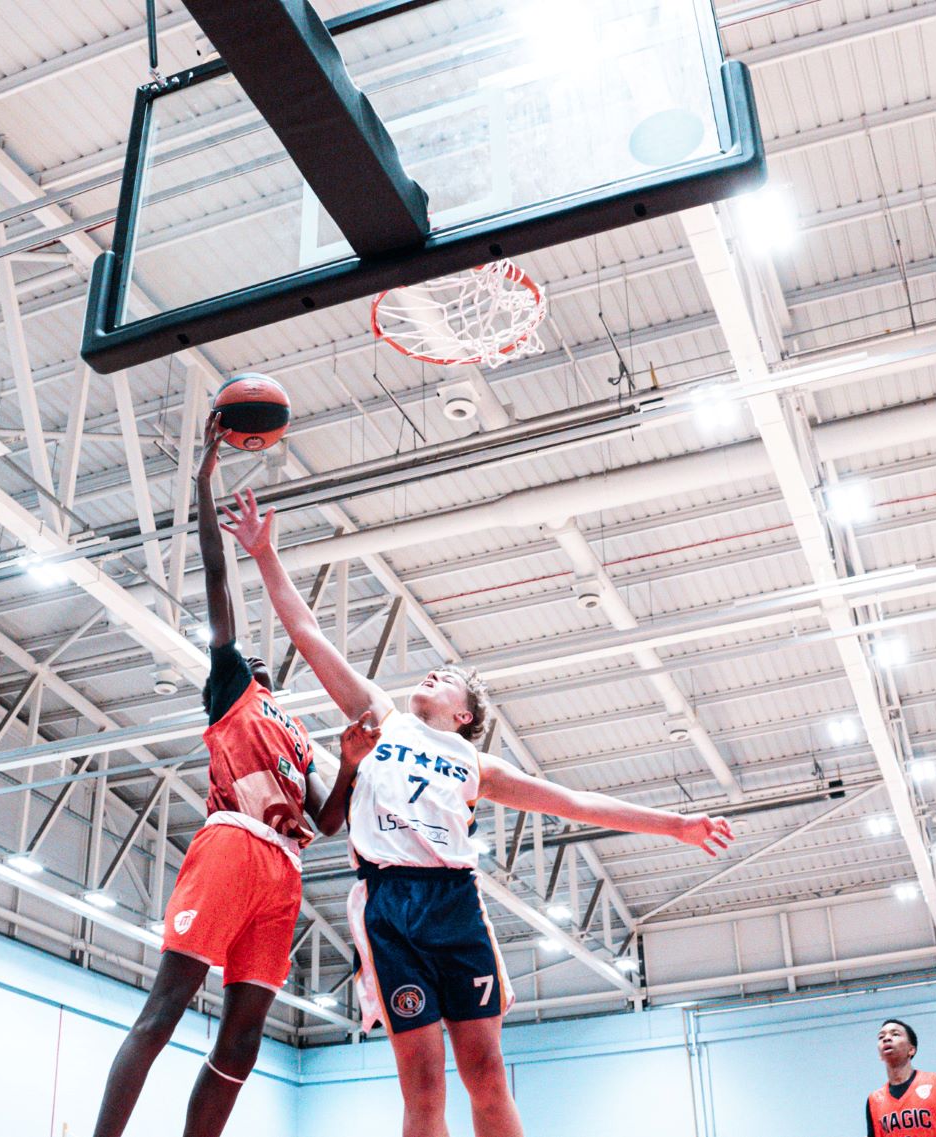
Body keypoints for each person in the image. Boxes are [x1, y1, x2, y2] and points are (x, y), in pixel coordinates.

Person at [222, 486, 736, 1137]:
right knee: (423, 1086)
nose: (433, 674)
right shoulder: (380, 717)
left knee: (486, 1074)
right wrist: (265, 553)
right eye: (432, 671)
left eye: (448, 678)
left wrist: (676, 825)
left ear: (465, 716)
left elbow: (576, 803)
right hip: (388, 902)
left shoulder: (476, 765)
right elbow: (309, 633)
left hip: (454, 904)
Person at [90, 416, 362, 1137]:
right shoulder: (232, 689)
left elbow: (329, 821)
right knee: (167, 1006)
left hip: (284, 869)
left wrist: (351, 760)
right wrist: (205, 484)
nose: (252, 660)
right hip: (232, 844)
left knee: (242, 1041)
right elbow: (217, 580)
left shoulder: (295, 735)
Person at [866, 1018, 936, 1137]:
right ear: (880, 1055)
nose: (886, 1038)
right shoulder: (874, 1101)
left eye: (895, 1034)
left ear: (911, 1050)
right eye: (881, 1037)